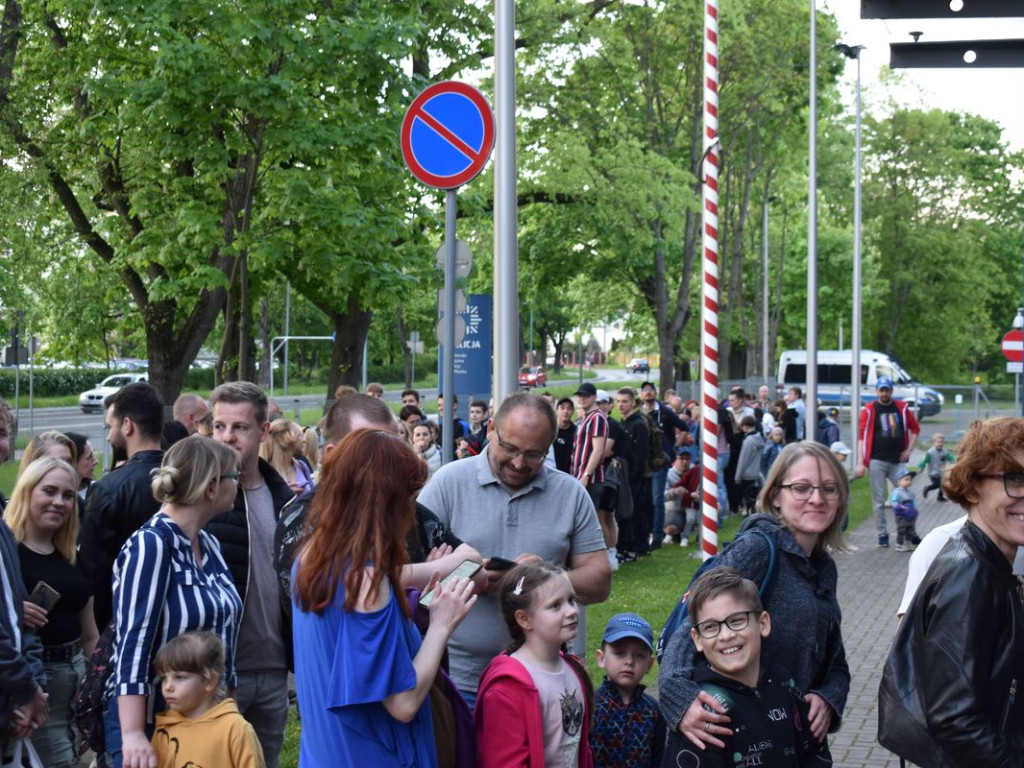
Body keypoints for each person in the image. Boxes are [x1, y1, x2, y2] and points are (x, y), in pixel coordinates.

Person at [291, 429, 477, 766]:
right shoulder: (366, 580)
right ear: (385, 503)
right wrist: (441, 624)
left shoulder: (310, 556)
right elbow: (403, 704)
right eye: (407, 499)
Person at [418, 392, 610, 707]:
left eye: (535, 454)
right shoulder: (447, 483)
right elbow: (407, 580)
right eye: (510, 448)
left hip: (542, 684)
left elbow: (600, 581)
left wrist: (545, 581)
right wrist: (467, 577)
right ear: (491, 428)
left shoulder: (570, 494)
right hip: (458, 682)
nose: (520, 463)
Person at [659, 442, 850, 760]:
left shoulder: (823, 568)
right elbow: (689, 625)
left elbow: (834, 660)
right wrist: (678, 697)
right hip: (731, 739)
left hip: (790, 741)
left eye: (829, 489)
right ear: (775, 495)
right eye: (801, 488)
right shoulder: (758, 549)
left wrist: (829, 696)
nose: (817, 499)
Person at [878, 417, 1024, 766]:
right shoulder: (970, 574)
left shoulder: (986, 561)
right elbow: (955, 719)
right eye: (1014, 478)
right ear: (973, 487)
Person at [105, 436, 243, 768]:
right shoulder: (151, 545)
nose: (239, 485)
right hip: (155, 721)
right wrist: (134, 733)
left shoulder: (208, 544)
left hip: (206, 719)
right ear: (212, 487)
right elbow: (133, 644)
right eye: (234, 477)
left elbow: (224, 638)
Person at [206, 382, 294, 768]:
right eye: (219, 426)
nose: (227, 437)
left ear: (263, 431)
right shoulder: (202, 502)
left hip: (275, 668)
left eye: (239, 427)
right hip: (220, 673)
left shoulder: (287, 502)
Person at [662, 567, 823, 767]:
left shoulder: (785, 684)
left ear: (763, 623)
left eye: (737, 620)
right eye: (711, 627)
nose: (726, 635)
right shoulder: (703, 713)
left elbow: (814, 753)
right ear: (698, 639)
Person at [5, 456, 98, 767]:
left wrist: (94, 695)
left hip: (74, 691)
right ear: (27, 492)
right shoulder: (9, 556)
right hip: (34, 690)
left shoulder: (72, 554)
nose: (59, 502)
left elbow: (90, 635)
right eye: (49, 491)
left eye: (68, 495)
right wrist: (11, 611)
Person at [475, 563, 593, 768]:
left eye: (571, 600)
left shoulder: (574, 670)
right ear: (524, 619)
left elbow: (581, 749)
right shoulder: (507, 688)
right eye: (556, 605)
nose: (571, 611)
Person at [80, 381, 166, 628]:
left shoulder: (108, 490)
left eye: (110, 426)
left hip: (123, 624)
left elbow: (94, 574)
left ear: (127, 425)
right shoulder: (189, 480)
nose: (108, 435)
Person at [152, 631, 265, 768]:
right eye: (164, 678)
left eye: (180, 677)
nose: (168, 686)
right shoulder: (165, 729)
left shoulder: (235, 728)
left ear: (210, 681)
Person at [590, 613, 664, 768]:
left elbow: (659, 758)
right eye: (620, 653)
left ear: (649, 665)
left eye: (639, 655)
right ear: (601, 658)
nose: (629, 661)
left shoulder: (653, 711)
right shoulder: (591, 706)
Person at [855, 376, 919, 548]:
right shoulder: (869, 410)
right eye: (881, 390)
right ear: (876, 391)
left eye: (887, 390)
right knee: (878, 500)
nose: (884, 393)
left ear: (891, 391)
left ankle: (908, 533)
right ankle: (882, 534)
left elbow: (915, 428)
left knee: (906, 497)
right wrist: (860, 462)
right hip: (877, 460)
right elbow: (861, 437)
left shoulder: (901, 408)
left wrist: (909, 449)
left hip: (897, 460)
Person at [259, 419, 313, 496]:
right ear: (285, 439)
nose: (304, 440)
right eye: (300, 436)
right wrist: (284, 494)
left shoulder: (302, 466)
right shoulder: (264, 473)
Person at [663, 449, 700, 547]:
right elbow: (662, 496)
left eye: (687, 459)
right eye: (681, 458)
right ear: (676, 460)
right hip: (676, 509)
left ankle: (700, 537)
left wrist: (699, 496)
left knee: (716, 509)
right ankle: (673, 534)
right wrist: (674, 492)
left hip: (694, 507)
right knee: (670, 528)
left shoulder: (697, 471)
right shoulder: (668, 474)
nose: (684, 462)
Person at [735, 415, 765, 515]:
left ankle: (749, 515)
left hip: (746, 474)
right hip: (755, 472)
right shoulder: (759, 438)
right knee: (753, 498)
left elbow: (743, 460)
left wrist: (737, 476)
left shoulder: (748, 441)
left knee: (747, 498)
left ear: (745, 426)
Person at [890, 468, 921, 552]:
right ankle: (899, 544)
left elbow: (913, 502)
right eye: (906, 479)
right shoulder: (897, 492)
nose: (909, 481)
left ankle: (908, 543)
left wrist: (915, 512)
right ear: (899, 482)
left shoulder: (910, 492)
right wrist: (899, 507)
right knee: (902, 529)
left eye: (910, 479)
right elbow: (894, 501)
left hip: (910, 514)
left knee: (910, 529)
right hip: (901, 514)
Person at [917, 432, 954, 502]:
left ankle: (940, 497)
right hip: (933, 472)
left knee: (943, 485)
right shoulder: (930, 452)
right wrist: (921, 468)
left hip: (941, 472)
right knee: (937, 484)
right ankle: (927, 488)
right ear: (934, 443)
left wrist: (955, 463)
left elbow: (951, 458)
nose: (940, 444)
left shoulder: (945, 452)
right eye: (938, 442)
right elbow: (924, 461)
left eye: (942, 442)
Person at [66, 431, 99, 504]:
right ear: (73, 461)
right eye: (89, 457)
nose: (96, 462)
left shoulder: (97, 490)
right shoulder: (58, 496)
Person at [553, 397, 577, 475]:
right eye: (562, 408)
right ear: (556, 411)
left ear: (573, 412)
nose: (565, 411)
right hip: (552, 473)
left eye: (569, 409)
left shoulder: (577, 431)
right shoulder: (550, 430)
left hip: (570, 475)